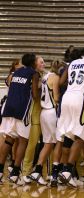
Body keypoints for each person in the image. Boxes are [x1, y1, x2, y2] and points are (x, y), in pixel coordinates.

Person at [52, 47, 84, 188]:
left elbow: (60, 83)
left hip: (67, 98)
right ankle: (67, 170)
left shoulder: (71, 64)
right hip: (80, 98)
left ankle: (64, 171)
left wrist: (73, 85)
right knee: (80, 135)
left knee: (68, 136)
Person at [0, 53, 39, 185]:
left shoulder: (15, 72)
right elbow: (34, 94)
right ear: (33, 63)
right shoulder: (33, 73)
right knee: (23, 141)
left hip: (8, 108)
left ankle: (0, 172)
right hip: (21, 110)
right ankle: (15, 173)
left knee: (9, 140)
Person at [24, 60, 60, 185]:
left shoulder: (45, 76)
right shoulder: (55, 78)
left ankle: (37, 171)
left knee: (48, 143)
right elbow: (55, 97)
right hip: (51, 112)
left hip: (43, 112)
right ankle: (54, 173)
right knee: (57, 143)